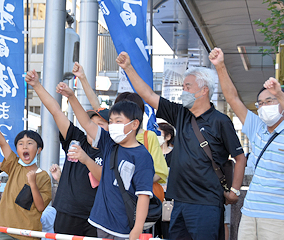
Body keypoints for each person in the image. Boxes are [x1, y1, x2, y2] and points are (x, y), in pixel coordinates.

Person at [116, 51, 247, 240]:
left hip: (206, 203)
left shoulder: (220, 121)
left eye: (188, 86)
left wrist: (234, 191)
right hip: (178, 201)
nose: (183, 91)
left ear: (203, 90)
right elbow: (148, 95)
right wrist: (128, 67)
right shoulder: (180, 114)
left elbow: (240, 157)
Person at [57, 82, 154, 240]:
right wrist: (72, 96)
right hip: (99, 223)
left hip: (123, 228)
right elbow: (87, 123)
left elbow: (143, 195)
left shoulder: (142, 156)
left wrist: (137, 228)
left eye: (118, 121)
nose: (113, 126)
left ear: (135, 124)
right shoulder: (109, 143)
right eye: (111, 121)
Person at [209, 47, 284, 239]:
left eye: (270, 100)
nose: (265, 107)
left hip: (278, 216)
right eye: (261, 103)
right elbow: (232, 98)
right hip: (250, 211)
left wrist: (280, 93)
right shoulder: (256, 127)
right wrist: (220, 66)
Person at [25, 70, 107, 237]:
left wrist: (86, 160)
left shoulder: (112, 149)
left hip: (96, 216)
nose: (93, 127)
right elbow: (56, 111)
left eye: (100, 124)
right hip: (66, 211)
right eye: (91, 122)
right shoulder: (77, 138)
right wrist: (36, 85)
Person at [73, 63, 168, 191]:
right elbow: (96, 106)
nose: (116, 121)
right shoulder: (113, 134)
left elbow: (160, 171)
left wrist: (136, 186)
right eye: (114, 116)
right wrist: (82, 78)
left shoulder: (147, 137)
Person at [0, 108, 52, 240]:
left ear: (39, 150)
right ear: (17, 149)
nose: (25, 147)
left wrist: (33, 184)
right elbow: (2, 142)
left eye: (30, 143)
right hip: (6, 230)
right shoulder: (14, 165)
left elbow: (40, 206)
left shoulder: (43, 176)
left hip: (29, 234)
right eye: (20, 144)